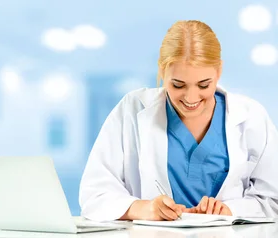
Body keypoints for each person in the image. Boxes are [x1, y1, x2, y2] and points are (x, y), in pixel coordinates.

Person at [78, 20, 278, 222]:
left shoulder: (251, 117)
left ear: (218, 71)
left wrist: (229, 210)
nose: (191, 98)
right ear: (162, 71)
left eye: (203, 85)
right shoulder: (132, 109)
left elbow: (272, 200)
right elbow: (94, 194)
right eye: (178, 85)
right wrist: (144, 209)